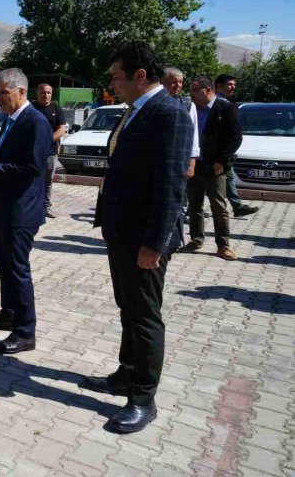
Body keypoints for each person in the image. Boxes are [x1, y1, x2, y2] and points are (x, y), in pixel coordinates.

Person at [87, 41, 193, 434]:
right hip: (122, 232)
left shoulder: (170, 113)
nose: (112, 84)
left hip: (145, 239)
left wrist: (155, 244)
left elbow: (170, 188)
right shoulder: (135, 111)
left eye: (117, 77)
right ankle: (126, 374)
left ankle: (143, 399)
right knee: (128, 307)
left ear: (140, 76)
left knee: (145, 316)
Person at [0, 69, 52, 354]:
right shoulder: (11, 120)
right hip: (3, 208)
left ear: (21, 91)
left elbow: (32, 168)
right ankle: (9, 314)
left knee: (18, 270)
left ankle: (25, 332)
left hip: (21, 211)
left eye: (3, 93)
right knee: (5, 265)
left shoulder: (35, 122)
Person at [180, 77, 242, 261]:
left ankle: (223, 245)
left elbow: (235, 138)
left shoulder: (225, 108)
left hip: (215, 166)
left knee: (218, 206)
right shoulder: (191, 108)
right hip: (193, 164)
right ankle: (196, 239)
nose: (191, 95)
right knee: (194, 204)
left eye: (194, 91)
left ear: (207, 90)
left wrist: (222, 160)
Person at [214, 74, 258, 218]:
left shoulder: (225, 103)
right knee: (209, 181)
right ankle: (237, 207)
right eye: (230, 84)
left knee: (229, 178)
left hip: (223, 152)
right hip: (216, 152)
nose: (233, 87)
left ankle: (237, 206)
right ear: (219, 86)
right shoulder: (217, 104)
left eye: (234, 84)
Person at [30, 83, 67, 219]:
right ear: (37, 93)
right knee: (32, 179)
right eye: (43, 92)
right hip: (32, 152)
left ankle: (46, 207)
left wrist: (46, 140)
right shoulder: (31, 108)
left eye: (49, 92)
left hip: (50, 152)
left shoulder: (56, 108)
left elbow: (62, 129)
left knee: (48, 180)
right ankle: (32, 206)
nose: (46, 95)